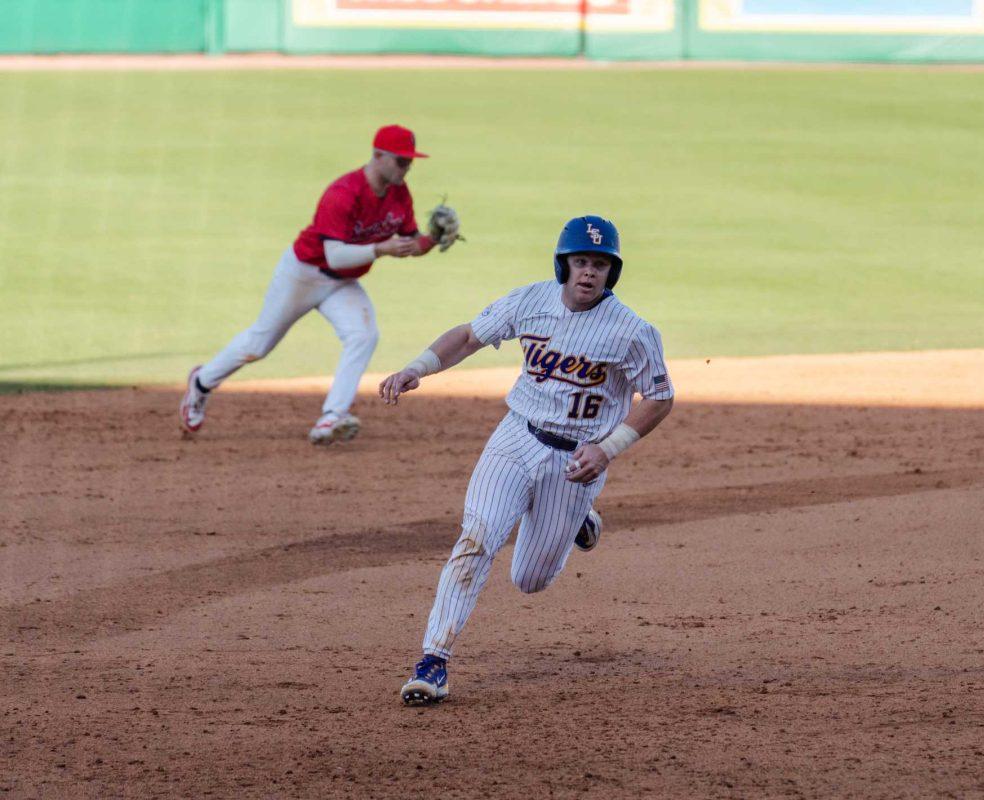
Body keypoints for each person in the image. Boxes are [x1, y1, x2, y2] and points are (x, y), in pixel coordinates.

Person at [378, 215, 674, 705]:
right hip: (516, 439)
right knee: (476, 539)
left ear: (611, 273)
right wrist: (418, 368)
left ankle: (580, 515)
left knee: (530, 579)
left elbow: (660, 397)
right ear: (565, 264)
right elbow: (470, 335)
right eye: (581, 261)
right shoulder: (531, 300)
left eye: (600, 265)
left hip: (577, 460)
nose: (588, 273)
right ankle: (433, 662)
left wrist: (608, 449)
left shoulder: (632, 332)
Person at [178, 124, 461, 444]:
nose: (406, 168)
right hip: (304, 274)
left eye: (409, 162)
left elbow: (412, 245)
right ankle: (200, 383)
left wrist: (433, 238)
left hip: (342, 284)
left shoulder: (399, 195)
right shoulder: (343, 193)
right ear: (378, 155)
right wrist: (380, 248)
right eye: (400, 161)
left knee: (363, 335)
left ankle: (331, 418)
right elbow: (335, 255)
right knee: (259, 345)